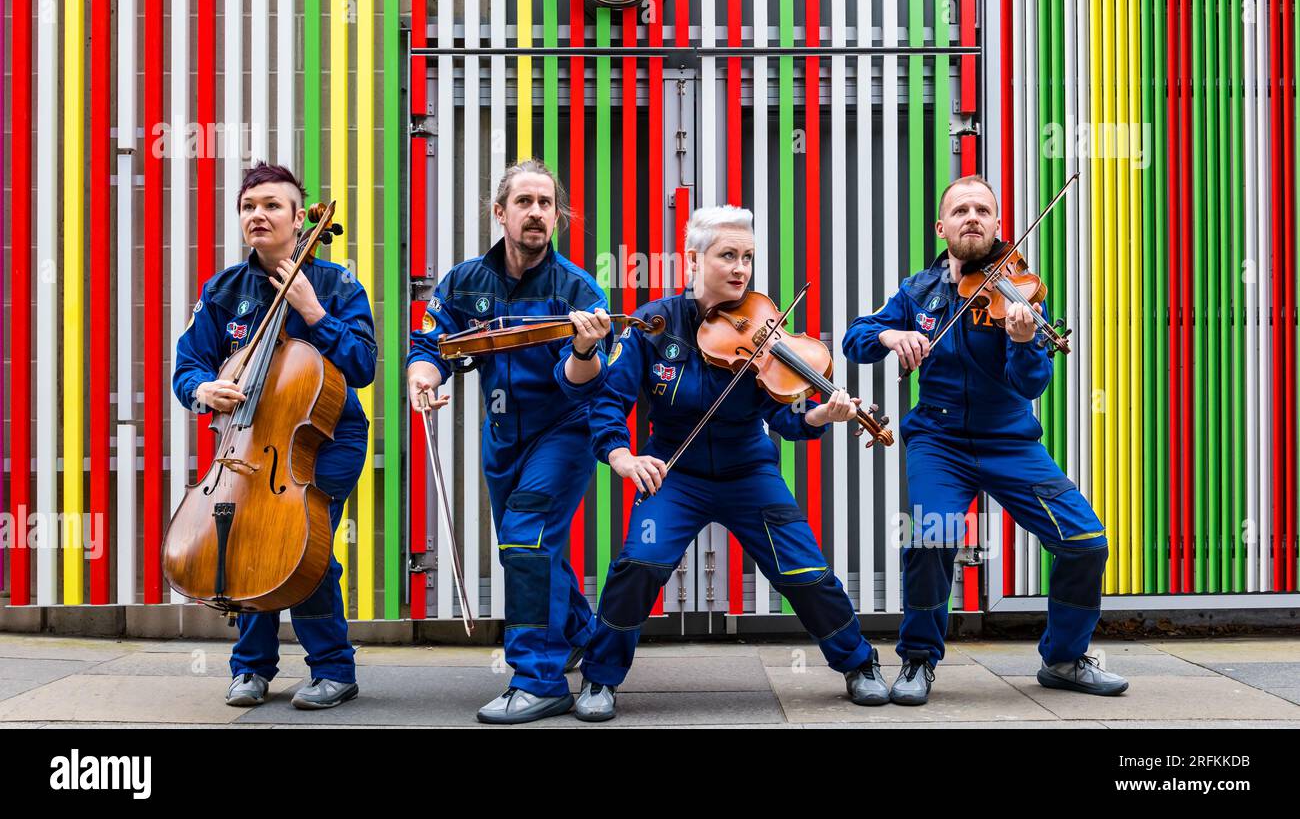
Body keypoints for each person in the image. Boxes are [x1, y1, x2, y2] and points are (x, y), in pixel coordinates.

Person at [572, 205, 892, 723]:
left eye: (748, 257)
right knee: (638, 565)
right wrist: (622, 455)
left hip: (749, 472)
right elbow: (609, 401)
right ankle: (600, 677)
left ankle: (859, 663)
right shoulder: (654, 324)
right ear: (693, 260)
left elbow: (786, 417)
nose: (741, 268)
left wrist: (822, 415)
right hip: (675, 472)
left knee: (805, 573)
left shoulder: (764, 328)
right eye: (728, 256)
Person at [842, 174, 1128, 705]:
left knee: (1085, 543)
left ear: (998, 225)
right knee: (930, 538)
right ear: (942, 226)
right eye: (961, 210)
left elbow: (1032, 383)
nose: (972, 217)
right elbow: (854, 339)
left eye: (983, 210)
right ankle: (918, 661)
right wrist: (890, 333)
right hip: (940, 441)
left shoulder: (1018, 292)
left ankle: (1064, 659)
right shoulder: (917, 291)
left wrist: (1023, 342)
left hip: (1009, 441)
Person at [407, 159, 612, 724]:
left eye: (546, 203)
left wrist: (585, 350)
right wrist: (422, 373)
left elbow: (594, 383)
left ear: (557, 217)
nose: (537, 213)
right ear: (501, 213)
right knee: (536, 549)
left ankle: (538, 679)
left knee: (524, 540)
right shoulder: (465, 281)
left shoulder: (580, 291)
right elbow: (428, 340)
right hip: (501, 438)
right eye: (524, 202)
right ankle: (587, 638)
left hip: (563, 433)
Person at [173, 162, 377, 710]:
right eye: (248, 206)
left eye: (271, 205)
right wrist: (205, 389)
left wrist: (311, 308)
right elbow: (187, 366)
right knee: (244, 544)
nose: (257, 215)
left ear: (296, 216)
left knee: (303, 549)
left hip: (326, 438)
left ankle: (333, 669)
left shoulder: (337, 285)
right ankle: (251, 669)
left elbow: (362, 365)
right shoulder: (223, 291)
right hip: (244, 446)